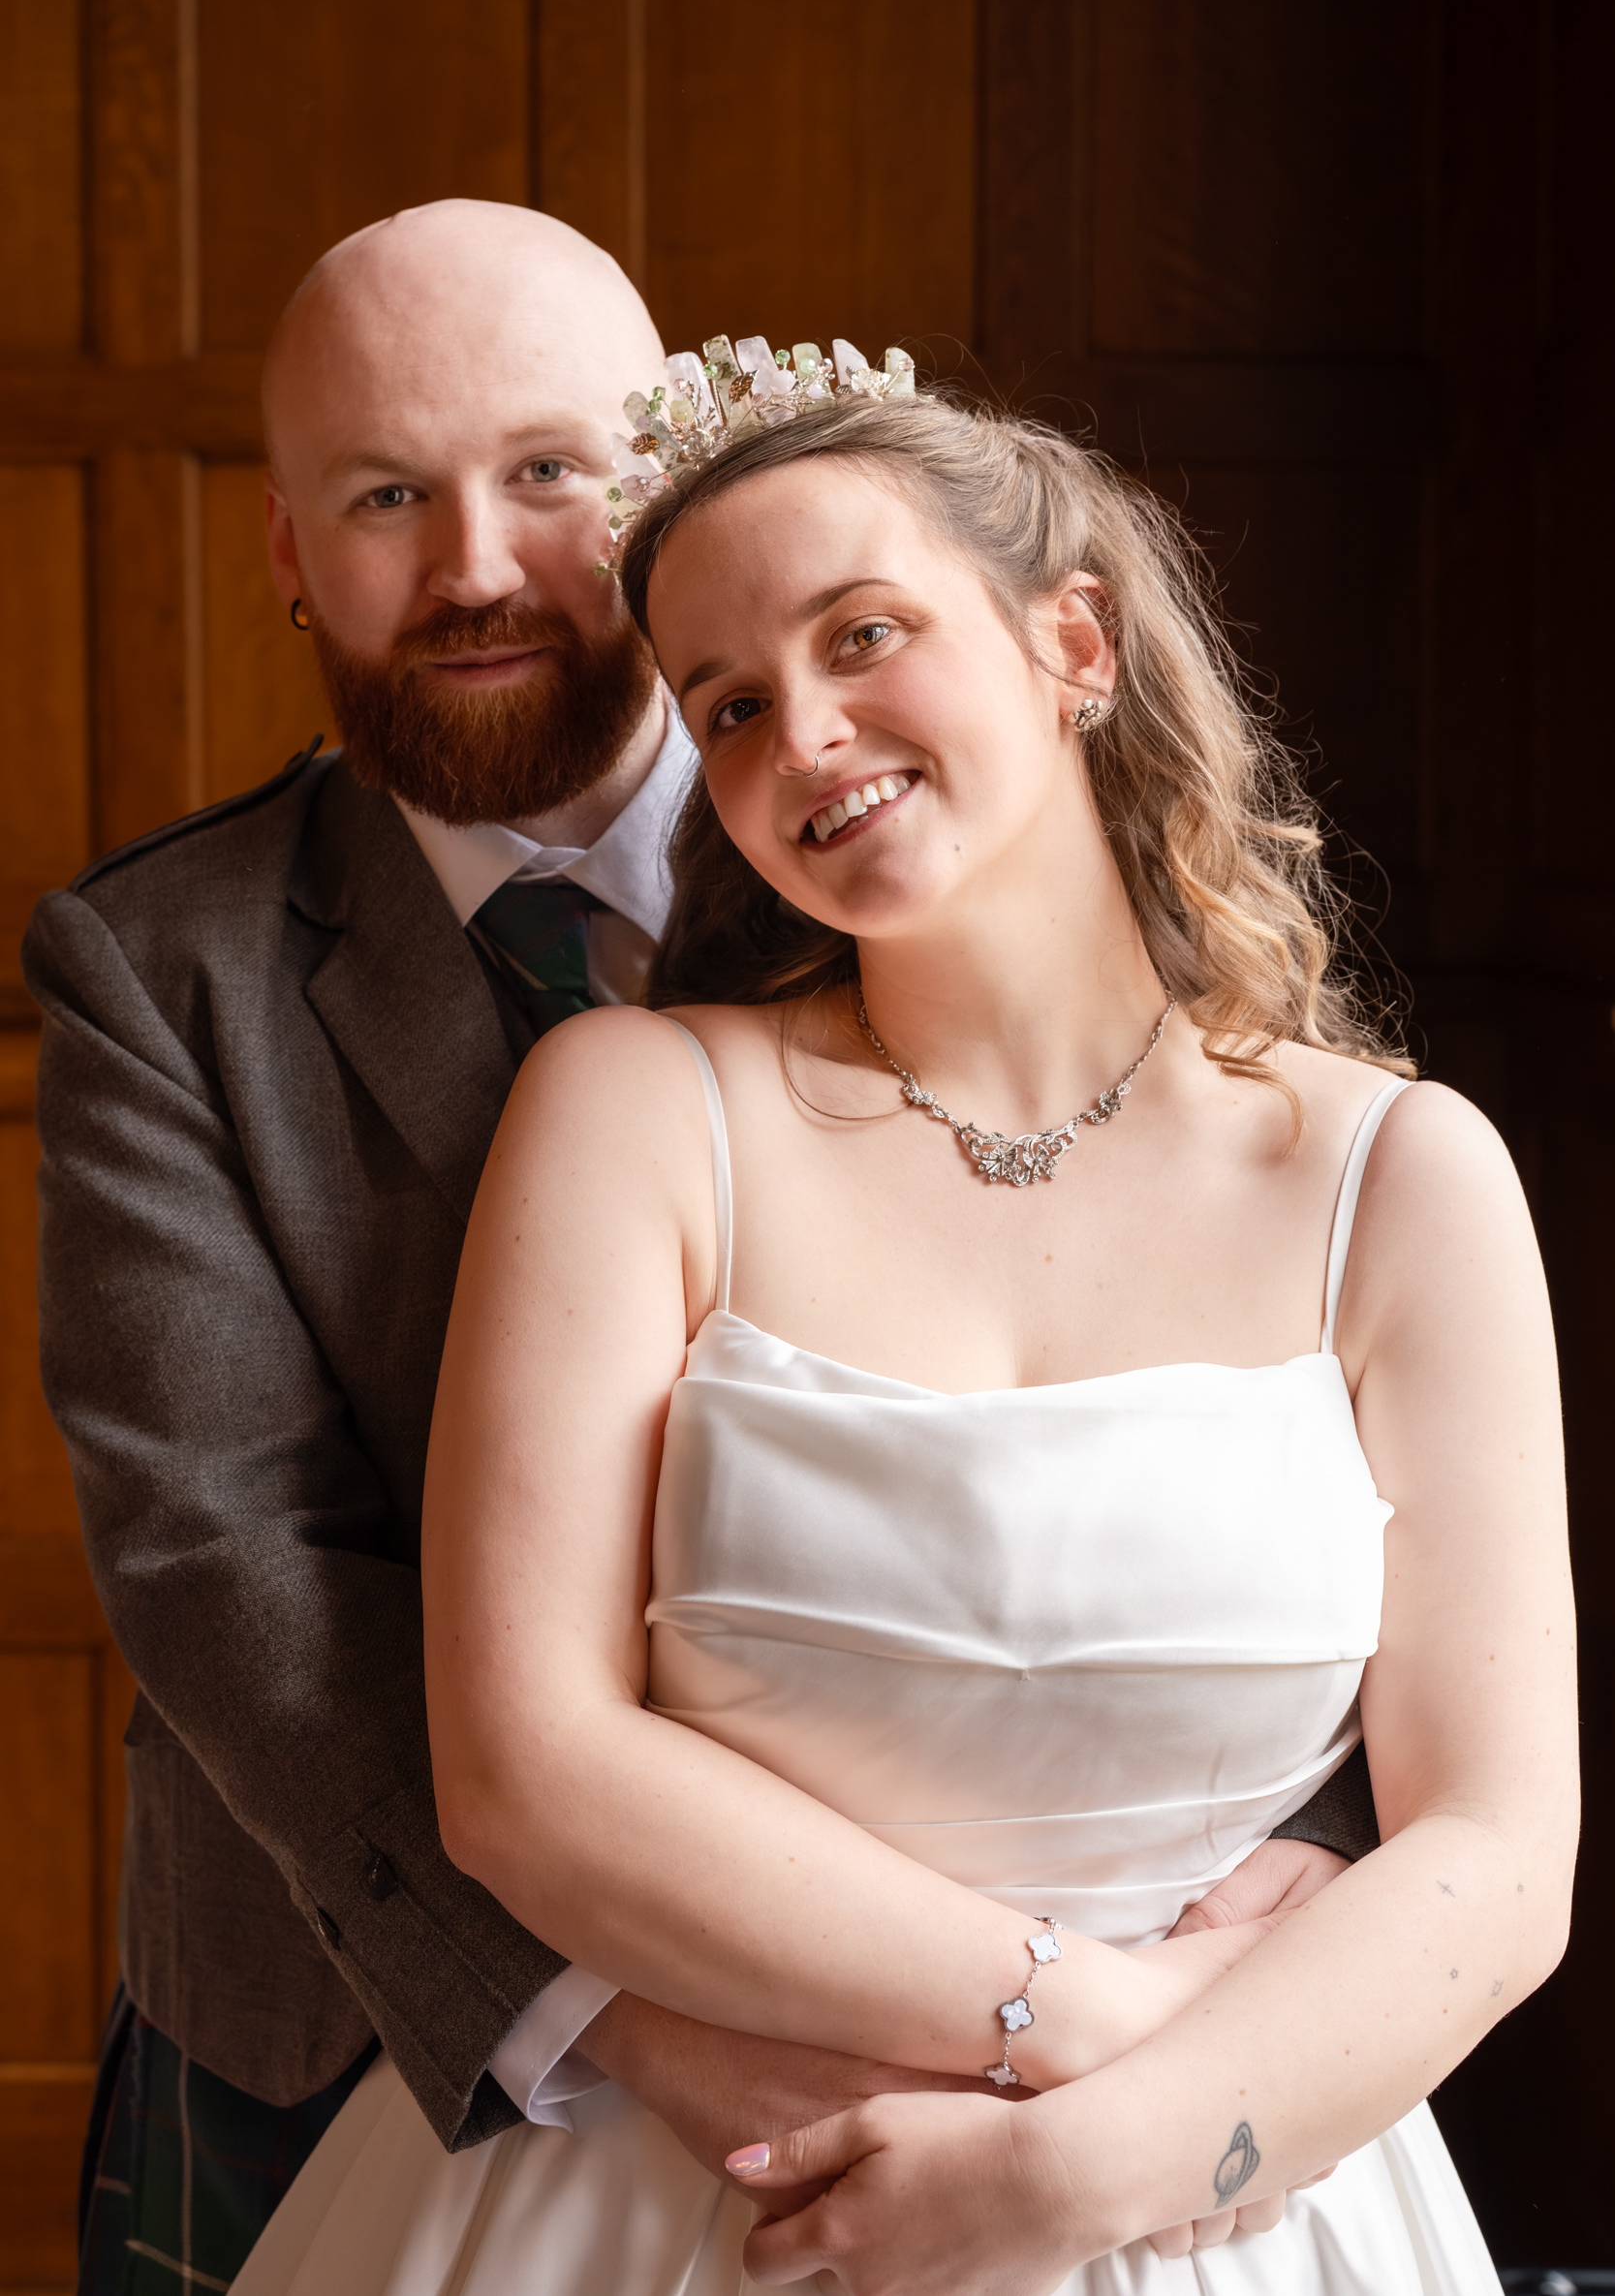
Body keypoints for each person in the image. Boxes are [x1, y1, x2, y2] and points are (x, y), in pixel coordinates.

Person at [25, 217, 1354, 2296]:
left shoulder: (947, 853)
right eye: (386, 496)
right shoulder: (158, 967)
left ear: (656, 481)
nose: (476, 563)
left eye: (549, 474)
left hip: (1103, 2049)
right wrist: (637, 2009)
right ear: (289, 550)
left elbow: (1269, 1399)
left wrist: (1295, 1864)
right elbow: (231, 1568)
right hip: (364, 2031)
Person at [220, 365, 1577, 2295]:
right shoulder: (632, 1106)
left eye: (864, 634)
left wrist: (1096, 2163)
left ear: (1074, 642)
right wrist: (1078, 2026)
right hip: (673, 2187)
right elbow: (523, 1763)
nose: (808, 732)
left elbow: (1502, 1846)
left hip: (1228, 2194)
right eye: (732, 705)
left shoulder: (1403, 1173)